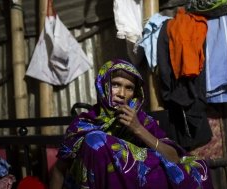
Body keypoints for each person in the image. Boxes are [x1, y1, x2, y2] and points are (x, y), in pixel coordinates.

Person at [50, 59, 213, 189]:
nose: (121, 94)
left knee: (197, 167)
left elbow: (174, 158)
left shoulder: (141, 120)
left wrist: (138, 129)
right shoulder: (83, 123)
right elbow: (59, 170)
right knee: (95, 141)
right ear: (103, 85)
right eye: (115, 85)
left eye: (129, 88)